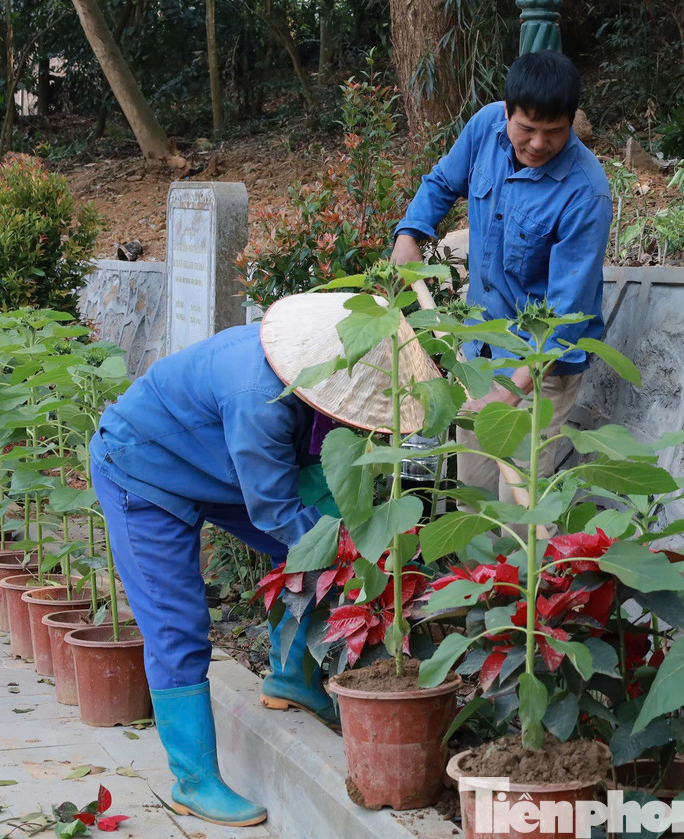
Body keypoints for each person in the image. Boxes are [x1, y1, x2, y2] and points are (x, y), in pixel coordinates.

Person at [88, 292, 433, 827]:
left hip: (214, 463)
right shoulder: (259, 397)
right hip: (142, 470)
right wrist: (350, 557)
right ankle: (193, 781)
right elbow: (275, 511)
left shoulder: (312, 374)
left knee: (314, 538)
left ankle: (292, 681)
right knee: (177, 621)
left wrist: (361, 540)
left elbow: (311, 487)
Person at [390, 50, 613, 500]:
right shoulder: (485, 127)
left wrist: (511, 395)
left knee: (522, 495)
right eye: (526, 129)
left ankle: (528, 571)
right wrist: (411, 231)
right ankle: (480, 571)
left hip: (542, 365)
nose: (536, 143)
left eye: (553, 132)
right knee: (474, 487)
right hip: (481, 343)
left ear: (572, 122)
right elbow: (441, 183)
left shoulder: (586, 193)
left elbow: (564, 318)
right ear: (507, 112)